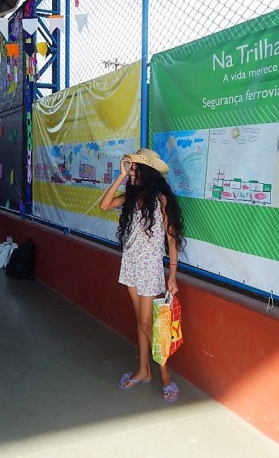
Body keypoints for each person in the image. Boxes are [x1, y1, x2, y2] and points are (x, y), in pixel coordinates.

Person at [99, 148, 185, 403]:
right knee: (140, 320)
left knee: (148, 323)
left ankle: (165, 374)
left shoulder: (161, 200)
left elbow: (172, 239)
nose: (132, 174)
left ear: (148, 172)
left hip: (149, 267)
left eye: (135, 170)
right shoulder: (131, 197)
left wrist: (172, 276)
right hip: (131, 263)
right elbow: (104, 205)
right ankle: (144, 371)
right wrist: (120, 175)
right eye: (131, 170)